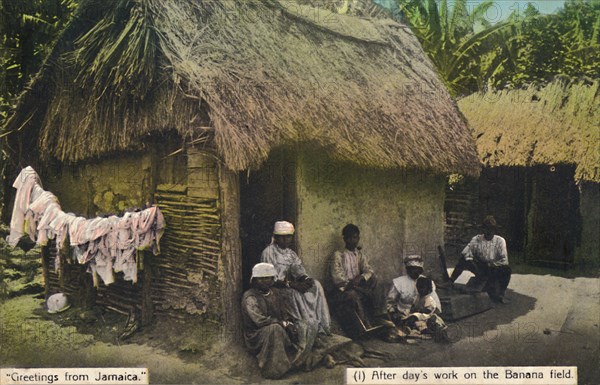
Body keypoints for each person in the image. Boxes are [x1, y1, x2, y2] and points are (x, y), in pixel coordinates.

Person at [241, 263, 318, 379]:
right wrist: (283, 324)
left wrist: (289, 322)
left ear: (273, 280)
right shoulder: (250, 297)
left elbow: (284, 312)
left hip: (279, 325)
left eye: (268, 278)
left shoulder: (276, 292)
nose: (264, 281)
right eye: (260, 279)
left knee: (309, 325)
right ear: (254, 281)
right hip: (258, 333)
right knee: (275, 329)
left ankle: (299, 361)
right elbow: (259, 321)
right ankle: (275, 370)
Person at [261, 221, 331, 335]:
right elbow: (268, 280)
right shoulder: (268, 252)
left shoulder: (291, 254)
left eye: (288, 237)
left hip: (290, 284)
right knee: (295, 294)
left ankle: (321, 326)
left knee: (316, 284)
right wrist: (291, 285)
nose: (285, 240)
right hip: (277, 288)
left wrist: (305, 279)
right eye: (282, 237)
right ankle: (307, 330)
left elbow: (297, 269)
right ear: (276, 237)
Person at [449, 215, 512, 303]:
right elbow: (465, 252)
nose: (489, 231)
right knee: (463, 260)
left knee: (506, 270)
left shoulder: (500, 241)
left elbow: (504, 260)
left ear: (494, 230)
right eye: (486, 229)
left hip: (493, 268)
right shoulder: (477, 239)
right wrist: (470, 259)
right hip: (480, 267)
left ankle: (501, 294)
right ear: (483, 229)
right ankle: (450, 282)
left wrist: (491, 264)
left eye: (491, 229)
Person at [330, 224, 378, 338]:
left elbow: (368, 270)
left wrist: (360, 277)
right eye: (349, 238)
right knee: (353, 295)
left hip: (357, 286)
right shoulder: (338, 255)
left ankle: (378, 320)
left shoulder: (359, 254)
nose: (353, 240)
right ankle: (364, 326)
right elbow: (337, 278)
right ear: (345, 239)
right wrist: (354, 286)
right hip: (342, 290)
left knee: (374, 280)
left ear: (358, 238)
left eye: (355, 237)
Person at [386, 255, 447, 341]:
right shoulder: (398, 282)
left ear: (421, 270)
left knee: (429, 321)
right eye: (412, 269)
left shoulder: (426, 282)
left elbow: (434, 304)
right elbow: (390, 302)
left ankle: (432, 329)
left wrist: (426, 313)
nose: (415, 272)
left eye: (418, 269)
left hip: (423, 314)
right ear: (407, 269)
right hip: (403, 315)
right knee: (402, 328)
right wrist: (393, 314)